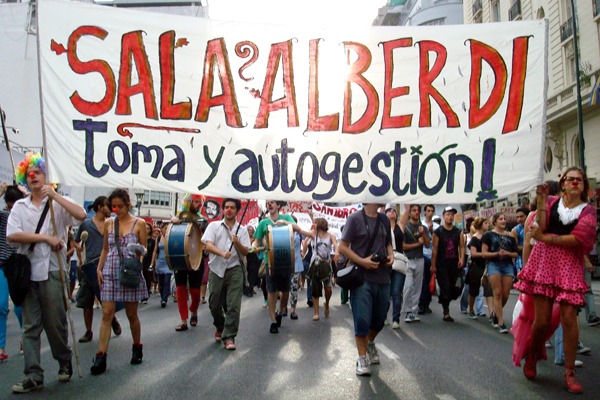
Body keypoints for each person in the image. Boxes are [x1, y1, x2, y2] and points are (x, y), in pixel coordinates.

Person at [7, 153, 87, 393]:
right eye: (29, 173)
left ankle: (64, 361)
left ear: (47, 176)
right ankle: (33, 374)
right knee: (30, 326)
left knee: (55, 324)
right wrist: (45, 238)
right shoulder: (19, 207)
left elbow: (81, 215)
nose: (33, 176)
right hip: (28, 273)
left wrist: (56, 196)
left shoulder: (58, 204)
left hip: (54, 270)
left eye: (38, 172)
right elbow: (12, 236)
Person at [515, 167, 596, 394]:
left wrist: (545, 238)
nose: (574, 183)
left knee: (569, 318)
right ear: (562, 184)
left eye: (579, 180)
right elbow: (540, 225)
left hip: (569, 264)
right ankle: (532, 356)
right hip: (545, 263)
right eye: (570, 179)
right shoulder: (551, 202)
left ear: (583, 185)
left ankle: (570, 372)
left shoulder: (588, 210)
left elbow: (579, 239)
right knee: (541, 321)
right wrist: (541, 200)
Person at [91, 188, 147, 375]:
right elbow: (106, 249)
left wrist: (137, 266)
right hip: (110, 270)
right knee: (107, 313)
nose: (116, 209)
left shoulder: (140, 223)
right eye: (113, 206)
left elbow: (143, 251)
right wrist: (99, 269)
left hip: (130, 272)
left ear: (128, 204)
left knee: (132, 314)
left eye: (120, 206)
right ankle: (101, 356)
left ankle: (137, 347)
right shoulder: (109, 223)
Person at [338, 203, 393, 376]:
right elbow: (342, 247)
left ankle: (370, 342)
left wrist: (391, 254)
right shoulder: (354, 219)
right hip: (362, 278)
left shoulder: (384, 218)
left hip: (383, 277)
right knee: (362, 319)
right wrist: (363, 262)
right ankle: (362, 358)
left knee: (380, 319)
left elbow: (388, 243)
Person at [202, 198, 250, 350]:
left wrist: (237, 243)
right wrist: (222, 253)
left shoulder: (241, 230)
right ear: (223, 209)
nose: (229, 210)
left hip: (235, 269)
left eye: (232, 207)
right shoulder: (213, 226)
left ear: (237, 211)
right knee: (214, 304)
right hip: (216, 268)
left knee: (233, 305)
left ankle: (229, 336)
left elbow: (246, 251)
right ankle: (220, 325)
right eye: (226, 207)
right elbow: (208, 245)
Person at [74, 196, 122, 343]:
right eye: (108, 206)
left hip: (107, 266)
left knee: (106, 298)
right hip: (90, 267)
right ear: (100, 207)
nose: (111, 209)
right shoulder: (86, 224)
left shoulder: (113, 224)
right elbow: (76, 242)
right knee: (87, 300)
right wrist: (79, 247)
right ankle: (89, 331)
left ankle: (112, 319)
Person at [253, 200, 299, 334]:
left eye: (272, 202)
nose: (269, 204)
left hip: (286, 261)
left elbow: (296, 228)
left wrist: (285, 223)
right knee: (271, 291)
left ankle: (280, 311)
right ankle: (273, 320)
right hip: (270, 262)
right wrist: (254, 247)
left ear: (278, 205)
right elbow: (256, 241)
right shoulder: (263, 223)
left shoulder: (286, 218)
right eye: (268, 203)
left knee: (285, 292)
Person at [169, 194, 205, 331]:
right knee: (180, 290)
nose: (199, 205)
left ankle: (193, 310)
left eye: (200, 202)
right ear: (188, 202)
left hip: (197, 258)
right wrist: (174, 220)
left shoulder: (203, 220)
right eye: (196, 202)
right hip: (180, 257)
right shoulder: (179, 218)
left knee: (196, 293)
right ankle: (183, 320)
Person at [0, 183, 25, 362]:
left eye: (13, 204)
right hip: (2, 265)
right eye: (9, 205)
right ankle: (1, 347)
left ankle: (26, 336)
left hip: (19, 266)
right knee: (1, 306)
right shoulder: (2, 216)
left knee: (20, 307)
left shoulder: (26, 215)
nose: (11, 209)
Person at [482, 212, 518, 334]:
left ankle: (495, 314)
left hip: (507, 266)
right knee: (497, 293)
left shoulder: (510, 236)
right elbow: (484, 253)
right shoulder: (488, 235)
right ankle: (501, 322)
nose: (503, 221)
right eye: (501, 219)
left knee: (505, 294)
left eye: (504, 219)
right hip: (493, 265)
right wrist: (497, 254)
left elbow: (516, 253)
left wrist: (507, 253)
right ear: (495, 222)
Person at [431, 207, 465, 322]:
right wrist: (433, 264)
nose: (450, 217)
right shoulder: (438, 232)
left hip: (454, 264)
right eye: (448, 214)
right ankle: (446, 311)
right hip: (442, 264)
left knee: (455, 289)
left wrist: (462, 258)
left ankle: (445, 299)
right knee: (445, 287)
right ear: (443, 216)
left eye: (452, 215)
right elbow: (434, 250)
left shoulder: (458, 232)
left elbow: (461, 246)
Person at [401, 205, 430, 323]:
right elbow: (403, 246)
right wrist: (417, 245)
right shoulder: (406, 227)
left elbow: (428, 244)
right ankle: (407, 311)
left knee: (417, 287)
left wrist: (423, 234)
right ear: (409, 213)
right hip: (408, 260)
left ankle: (413, 312)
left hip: (419, 259)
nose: (416, 212)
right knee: (408, 286)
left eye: (418, 210)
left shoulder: (423, 228)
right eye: (413, 210)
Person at [465, 217, 494, 320]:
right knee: (474, 289)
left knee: (489, 290)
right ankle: (471, 309)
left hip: (487, 266)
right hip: (477, 266)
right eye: (485, 223)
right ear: (480, 224)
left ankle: (491, 313)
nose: (488, 225)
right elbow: (473, 254)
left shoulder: (489, 236)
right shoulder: (475, 238)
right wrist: (485, 254)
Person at [386, 205, 409, 329]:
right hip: (386, 261)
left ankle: (396, 319)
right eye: (389, 210)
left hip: (399, 260)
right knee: (385, 292)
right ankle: (383, 316)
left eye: (394, 210)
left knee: (396, 292)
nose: (392, 212)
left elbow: (407, 209)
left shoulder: (400, 225)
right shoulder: (382, 225)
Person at [418, 204, 438, 315]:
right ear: (425, 212)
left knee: (431, 280)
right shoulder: (421, 224)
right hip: (424, 254)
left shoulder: (436, 226)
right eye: (428, 210)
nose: (430, 212)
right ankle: (421, 304)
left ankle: (427, 303)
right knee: (424, 280)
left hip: (433, 255)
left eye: (432, 210)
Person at [152, 224, 173, 308]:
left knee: (167, 281)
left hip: (168, 262)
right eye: (165, 228)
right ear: (162, 229)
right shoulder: (158, 238)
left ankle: (164, 299)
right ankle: (162, 296)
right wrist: (153, 262)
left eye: (168, 228)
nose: (166, 230)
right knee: (160, 282)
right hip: (160, 262)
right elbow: (155, 250)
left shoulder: (171, 238)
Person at [511, 207, 529, 276]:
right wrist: (528, 247)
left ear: (528, 216)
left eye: (521, 216)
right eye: (517, 217)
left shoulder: (534, 226)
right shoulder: (515, 230)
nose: (519, 219)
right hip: (521, 259)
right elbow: (515, 247)